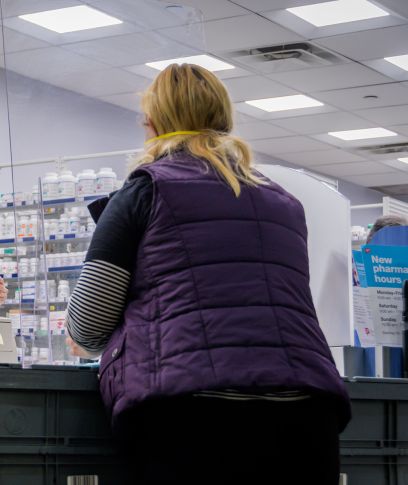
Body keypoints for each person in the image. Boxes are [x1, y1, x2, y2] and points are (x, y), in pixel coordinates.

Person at [65, 64, 351, 485]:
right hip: (306, 410)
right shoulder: (285, 203)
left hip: (195, 413)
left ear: (154, 122)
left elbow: (88, 326)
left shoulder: (146, 189)